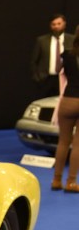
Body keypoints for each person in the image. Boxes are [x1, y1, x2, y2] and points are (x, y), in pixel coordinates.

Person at [53, 26, 79, 192]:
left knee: (63, 141)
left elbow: (57, 70)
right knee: (78, 145)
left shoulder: (67, 54)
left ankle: (56, 180)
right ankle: (71, 182)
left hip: (68, 100)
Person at [31, 14, 75, 98]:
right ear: (50, 25)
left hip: (66, 79)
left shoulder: (72, 40)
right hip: (46, 79)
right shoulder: (42, 40)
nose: (56, 26)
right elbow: (34, 61)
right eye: (53, 24)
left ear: (64, 24)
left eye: (59, 23)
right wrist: (37, 78)